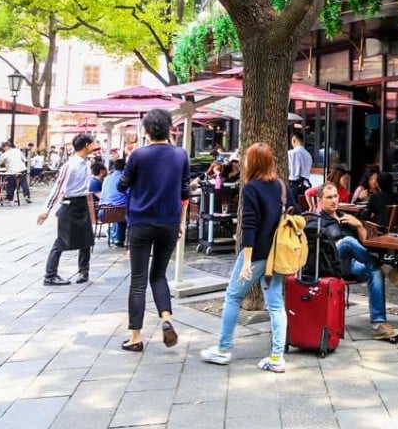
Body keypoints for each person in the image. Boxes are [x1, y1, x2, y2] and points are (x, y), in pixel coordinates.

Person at [202, 143, 289, 372]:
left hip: (257, 254)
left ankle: (223, 349)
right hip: (278, 255)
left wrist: (247, 262)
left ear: (253, 162)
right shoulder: (281, 186)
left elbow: (249, 226)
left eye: (247, 159)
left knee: (233, 296)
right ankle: (277, 357)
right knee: (276, 304)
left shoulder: (251, 188)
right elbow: (296, 214)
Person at [117, 109, 190, 352]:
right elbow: (184, 193)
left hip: (141, 222)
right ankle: (166, 318)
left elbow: (121, 184)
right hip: (169, 222)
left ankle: (135, 337)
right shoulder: (181, 155)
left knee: (138, 279)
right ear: (170, 129)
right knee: (158, 275)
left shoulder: (138, 155)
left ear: (146, 130)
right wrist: (181, 222)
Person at [306, 183, 398, 340]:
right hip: (329, 265)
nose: (333, 200)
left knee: (374, 270)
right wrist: (336, 245)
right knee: (347, 242)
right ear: (320, 200)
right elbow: (314, 254)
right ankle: (387, 268)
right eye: (329, 197)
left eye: (335, 196)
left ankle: (379, 325)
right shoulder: (316, 223)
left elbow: (365, 243)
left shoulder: (346, 218)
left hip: (349, 264)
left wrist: (358, 224)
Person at [37, 134, 98, 286]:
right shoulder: (70, 165)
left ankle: (84, 271)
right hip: (70, 204)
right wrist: (46, 210)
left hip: (82, 203)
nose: (94, 145)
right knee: (61, 241)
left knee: (87, 239)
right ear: (86, 145)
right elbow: (58, 188)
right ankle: (50, 275)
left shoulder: (86, 163)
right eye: (92, 143)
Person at [100, 158, 130, 247]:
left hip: (104, 211)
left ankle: (115, 237)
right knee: (126, 209)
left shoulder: (107, 178)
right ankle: (119, 239)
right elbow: (130, 192)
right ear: (125, 167)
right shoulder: (124, 179)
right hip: (118, 211)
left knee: (118, 207)